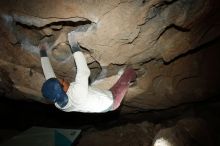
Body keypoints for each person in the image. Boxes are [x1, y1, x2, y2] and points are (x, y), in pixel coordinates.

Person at [40, 37, 136, 113]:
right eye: (63, 81)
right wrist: (74, 46)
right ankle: (134, 77)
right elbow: (84, 71)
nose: (64, 80)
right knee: (128, 73)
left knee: (93, 88)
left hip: (99, 100)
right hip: (112, 101)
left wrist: (42, 52)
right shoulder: (77, 96)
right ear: (63, 90)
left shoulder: (58, 100)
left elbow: (49, 75)